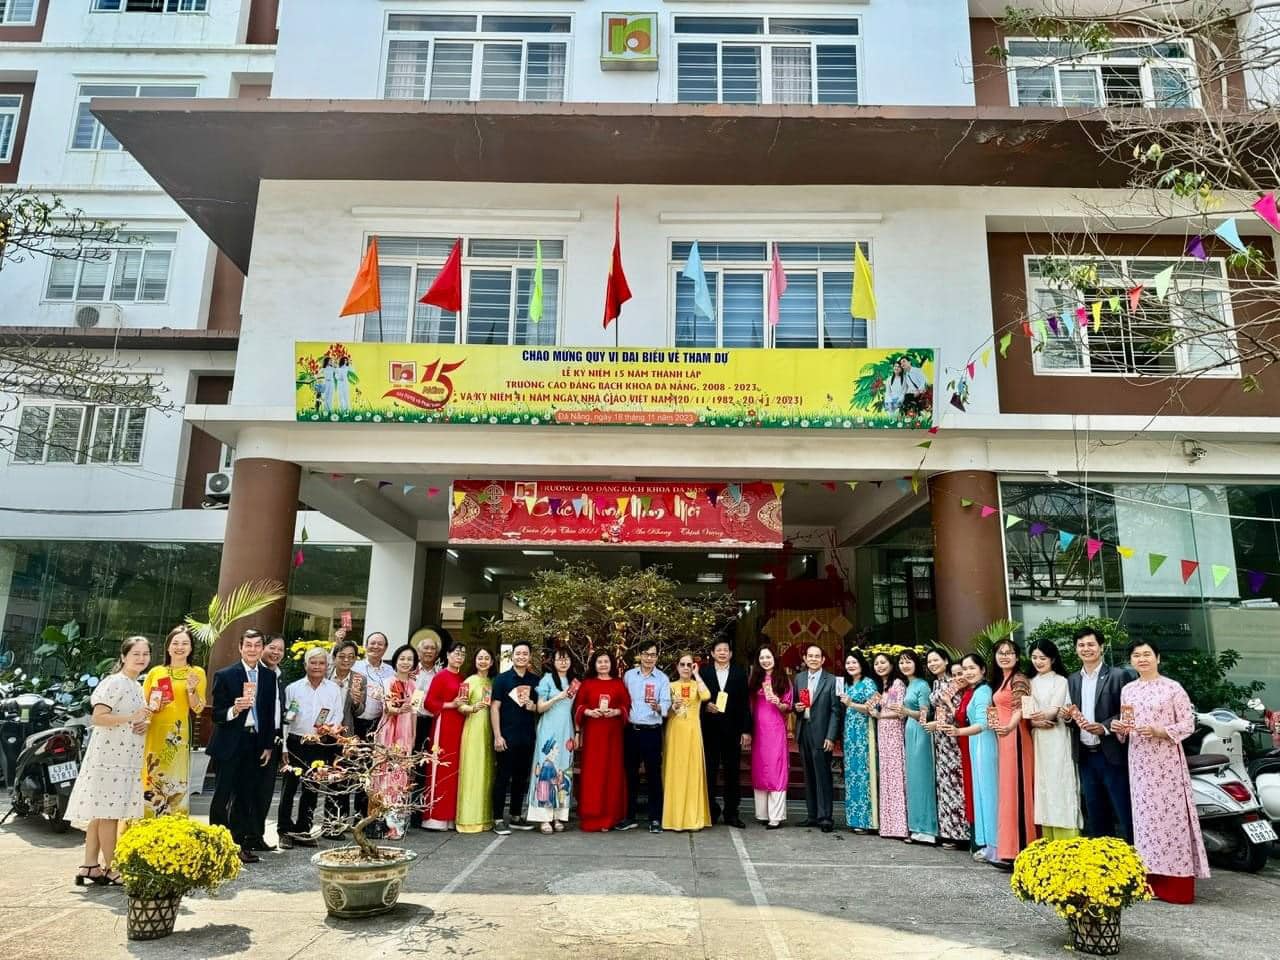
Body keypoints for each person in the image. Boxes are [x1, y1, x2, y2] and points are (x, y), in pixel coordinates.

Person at [1115, 640, 1210, 904]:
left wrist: (1160, 731)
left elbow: (1188, 724)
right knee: (1145, 822)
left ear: (1158, 658)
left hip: (1166, 762)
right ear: (1131, 661)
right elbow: (1127, 726)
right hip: (1139, 762)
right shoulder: (1128, 690)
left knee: (1171, 819)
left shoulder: (1172, 688)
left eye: (1147, 654)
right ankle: (1149, 880)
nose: (1142, 659)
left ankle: (1176, 885)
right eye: (1136, 655)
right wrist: (1120, 729)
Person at [67, 636, 151, 886]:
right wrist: (131, 718)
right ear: (123, 657)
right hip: (108, 760)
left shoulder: (136, 686)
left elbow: (131, 717)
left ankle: (90, 865)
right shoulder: (115, 682)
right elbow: (98, 717)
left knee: (101, 811)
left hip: (125, 759)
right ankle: (113, 868)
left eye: (145, 654)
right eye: (135, 654)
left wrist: (141, 723)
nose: (141, 658)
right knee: (110, 814)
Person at [207, 628, 279, 863]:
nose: (252, 649)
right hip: (229, 742)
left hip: (254, 743)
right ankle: (218, 846)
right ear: (240, 648)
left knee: (245, 795)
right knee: (222, 795)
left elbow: (268, 714)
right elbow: (217, 714)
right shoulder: (225, 675)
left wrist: (268, 745)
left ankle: (239, 845)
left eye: (257, 645)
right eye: (248, 645)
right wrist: (234, 709)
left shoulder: (269, 676)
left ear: (262, 648)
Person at [1067, 627, 1135, 842]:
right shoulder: (1072, 679)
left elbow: (1128, 711)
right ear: (1076, 649)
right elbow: (1072, 713)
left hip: (1112, 753)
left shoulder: (1118, 675)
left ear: (1101, 647)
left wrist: (1104, 728)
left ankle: (1135, 855)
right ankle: (1104, 857)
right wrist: (1066, 716)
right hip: (1086, 756)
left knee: (1124, 810)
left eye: (1091, 644)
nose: (1086, 649)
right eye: (1081, 645)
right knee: (1096, 812)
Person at [278, 646, 344, 848]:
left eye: (321, 663)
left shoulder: (333, 689)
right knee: (289, 788)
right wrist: (284, 747)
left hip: (320, 744)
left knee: (312, 788)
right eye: (313, 662)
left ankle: (304, 829)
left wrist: (329, 729)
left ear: (327, 666)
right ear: (305, 665)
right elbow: (286, 719)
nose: (317, 666)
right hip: (296, 743)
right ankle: (284, 831)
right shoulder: (293, 688)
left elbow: (338, 715)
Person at [141, 625, 207, 817]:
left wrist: (191, 690)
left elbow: (198, 708)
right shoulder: (156, 672)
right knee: (150, 772)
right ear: (168, 647)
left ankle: (172, 821)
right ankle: (145, 819)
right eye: (175, 643)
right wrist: (153, 708)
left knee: (174, 776)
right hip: (154, 730)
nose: (180, 647)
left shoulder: (197, 673)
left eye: (185, 643)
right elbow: (143, 704)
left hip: (177, 733)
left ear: (191, 648)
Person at [1026, 639, 1081, 840]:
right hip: (1038, 739)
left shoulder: (1061, 681)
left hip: (1057, 738)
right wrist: (1033, 722)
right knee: (1042, 787)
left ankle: (1067, 838)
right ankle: (1047, 838)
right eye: (1034, 657)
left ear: (1053, 659)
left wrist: (1037, 718)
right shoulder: (1028, 682)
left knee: (1060, 783)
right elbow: (1026, 712)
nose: (1038, 662)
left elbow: (1054, 709)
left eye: (1043, 658)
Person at [946, 653, 998, 863]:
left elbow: (983, 724)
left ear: (983, 669)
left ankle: (995, 845)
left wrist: (959, 732)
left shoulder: (984, 691)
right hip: (976, 743)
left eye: (972, 668)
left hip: (984, 743)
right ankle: (987, 844)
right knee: (981, 794)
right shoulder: (975, 690)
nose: (968, 672)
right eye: (965, 669)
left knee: (988, 793)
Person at [991, 638, 1037, 863]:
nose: (1005, 656)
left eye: (1009, 653)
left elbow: (1021, 707)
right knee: (1008, 792)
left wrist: (1010, 725)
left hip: (1016, 735)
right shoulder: (1001, 680)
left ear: (1017, 657)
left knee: (1017, 790)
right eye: (1000, 653)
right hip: (1004, 737)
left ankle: (1022, 849)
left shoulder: (1019, 679)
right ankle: (1008, 849)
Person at [574, 649, 630, 832]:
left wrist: (616, 711)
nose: (603, 665)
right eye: (600, 662)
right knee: (593, 774)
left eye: (606, 661)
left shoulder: (618, 684)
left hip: (613, 737)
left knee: (611, 774)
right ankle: (591, 816)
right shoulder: (587, 684)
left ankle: (610, 817)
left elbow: (627, 706)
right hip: (593, 736)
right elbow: (578, 707)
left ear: (611, 664)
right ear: (594, 664)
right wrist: (589, 712)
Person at [698, 637, 751, 829]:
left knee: (732, 772)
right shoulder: (704, 672)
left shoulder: (739, 673)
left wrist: (746, 730)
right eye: (718, 650)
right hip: (710, 730)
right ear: (712, 653)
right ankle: (710, 811)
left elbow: (745, 702)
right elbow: (697, 698)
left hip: (732, 730)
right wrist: (705, 706)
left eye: (725, 650)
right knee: (709, 771)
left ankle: (731, 813)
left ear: (730, 653)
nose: (722, 653)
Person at [619, 642, 671, 833]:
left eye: (653, 655)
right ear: (640, 655)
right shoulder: (629, 676)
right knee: (630, 774)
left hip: (652, 731)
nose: (650, 658)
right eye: (646, 654)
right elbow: (623, 700)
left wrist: (657, 706)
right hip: (632, 730)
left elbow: (666, 705)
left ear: (657, 657)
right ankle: (630, 816)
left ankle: (655, 817)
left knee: (653, 775)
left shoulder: (662, 679)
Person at [490, 640, 540, 834]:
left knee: (521, 777)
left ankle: (516, 816)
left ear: (530, 656)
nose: (521, 656)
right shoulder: (502, 679)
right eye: (518, 653)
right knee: (503, 777)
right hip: (506, 735)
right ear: (512, 656)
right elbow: (495, 707)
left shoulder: (535, 681)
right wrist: (497, 735)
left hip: (527, 736)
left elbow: (539, 707)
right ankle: (497, 818)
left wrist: (533, 707)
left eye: (525, 653)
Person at [527, 648, 578, 833]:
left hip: (566, 730)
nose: (563, 662)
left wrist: (577, 732)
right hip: (549, 730)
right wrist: (558, 696)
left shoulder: (574, 682)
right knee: (546, 771)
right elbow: (540, 707)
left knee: (563, 771)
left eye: (566, 659)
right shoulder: (547, 679)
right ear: (553, 662)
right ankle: (544, 818)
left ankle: (558, 816)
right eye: (559, 659)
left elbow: (575, 710)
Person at [792, 643, 841, 832]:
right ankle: (812, 815)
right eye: (810, 656)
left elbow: (836, 711)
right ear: (805, 659)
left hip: (822, 733)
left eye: (817, 656)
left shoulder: (833, 680)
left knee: (823, 775)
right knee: (808, 774)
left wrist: (831, 736)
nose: (813, 659)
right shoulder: (799, 678)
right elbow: (797, 704)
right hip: (804, 730)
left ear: (823, 660)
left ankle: (825, 817)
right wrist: (797, 709)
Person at [372, 644, 418, 839]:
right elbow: (388, 708)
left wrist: (413, 737)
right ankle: (381, 823)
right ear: (396, 661)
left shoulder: (415, 686)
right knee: (384, 776)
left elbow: (414, 714)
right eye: (402, 658)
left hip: (406, 733)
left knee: (401, 777)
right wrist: (399, 709)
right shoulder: (387, 682)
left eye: (410, 659)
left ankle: (397, 825)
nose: (406, 662)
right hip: (388, 733)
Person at [924, 648, 969, 850]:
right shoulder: (936, 683)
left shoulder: (954, 682)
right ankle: (948, 832)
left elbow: (958, 710)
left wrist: (939, 723)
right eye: (929, 661)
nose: (933, 664)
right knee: (944, 784)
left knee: (955, 783)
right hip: (940, 739)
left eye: (936, 660)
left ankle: (960, 833)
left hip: (952, 737)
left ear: (945, 661)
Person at [662, 651, 712, 832]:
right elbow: (666, 713)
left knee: (692, 772)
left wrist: (697, 674)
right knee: (675, 772)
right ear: (676, 667)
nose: (685, 668)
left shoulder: (697, 684)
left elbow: (706, 696)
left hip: (693, 732)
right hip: (675, 731)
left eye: (689, 665)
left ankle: (692, 818)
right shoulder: (670, 685)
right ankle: (674, 819)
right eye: (682, 664)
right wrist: (673, 707)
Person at [422, 641, 466, 830]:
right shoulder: (440, 676)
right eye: (456, 653)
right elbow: (429, 702)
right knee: (440, 767)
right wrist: (451, 705)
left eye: (462, 654)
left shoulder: (463, 678)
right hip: (444, 724)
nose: (459, 657)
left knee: (455, 769)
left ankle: (450, 815)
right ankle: (435, 816)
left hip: (459, 724)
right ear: (447, 655)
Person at [748, 645, 793, 829]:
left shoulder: (783, 679)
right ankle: (763, 814)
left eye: (768, 657)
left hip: (775, 729)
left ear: (775, 658)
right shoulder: (754, 679)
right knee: (760, 769)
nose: (765, 661)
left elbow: (788, 706)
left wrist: (778, 702)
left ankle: (776, 816)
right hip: (758, 729)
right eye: (762, 658)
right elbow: (749, 705)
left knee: (776, 769)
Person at [899, 650, 939, 844]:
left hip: (920, 732)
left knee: (922, 778)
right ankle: (916, 827)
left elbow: (926, 713)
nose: (905, 665)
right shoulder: (909, 684)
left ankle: (928, 829)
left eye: (908, 662)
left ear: (916, 664)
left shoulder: (922, 685)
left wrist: (905, 711)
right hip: (910, 730)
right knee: (914, 779)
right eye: (901, 662)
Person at [252, 634, 287, 852]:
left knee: (265, 792)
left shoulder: (280, 676)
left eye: (280, 650)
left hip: (274, 738)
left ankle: (257, 835)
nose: (276, 653)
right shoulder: (255, 673)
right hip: (255, 738)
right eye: (272, 648)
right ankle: (243, 837)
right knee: (248, 791)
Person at [326, 637, 364, 835]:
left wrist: (357, 702)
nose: (346, 660)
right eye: (342, 656)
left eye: (351, 656)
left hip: (345, 734)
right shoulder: (325, 674)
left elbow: (359, 711)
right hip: (323, 733)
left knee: (342, 778)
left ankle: (338, 824)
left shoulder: (359, 679)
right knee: (324, 777)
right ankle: (326, 823)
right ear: (334, 657)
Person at [868, 652, 907, 840]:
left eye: (883, 662)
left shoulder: (896, 684)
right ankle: (889, 825)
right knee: (887, 776)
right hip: (883, 733)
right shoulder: (883, 686)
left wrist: (879, 715)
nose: (880, 666)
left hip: (893, 733)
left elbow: (898, 711)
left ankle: (899, 826)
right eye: (876, 663)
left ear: (892, 665)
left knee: (895, 776)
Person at [838, 650, 878, 834]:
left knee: (864, 774)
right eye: (848, 663)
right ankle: (855, 819)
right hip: (850, 735)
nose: (851, 665)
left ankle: (867, 821)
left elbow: (873, 707)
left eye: (854, 662)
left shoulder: (869, 683)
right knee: (852, 774)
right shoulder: (846, 684)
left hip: (864, 733)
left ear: (861, 664)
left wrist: (851, 704)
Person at [456, 648, 495, 834]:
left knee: (487, 772)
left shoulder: (493, 682)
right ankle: (468, 820)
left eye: (487, 658)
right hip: (473, 729)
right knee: (472, 772)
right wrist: (472, 708)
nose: (483, 661)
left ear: (492, 662)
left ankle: (485, 818)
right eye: (480, 658)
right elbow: (459, 705)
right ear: (475, 660)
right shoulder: (468, 681)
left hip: (490, 729)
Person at [411, 629, 444, 828]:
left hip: (431, 722)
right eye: (426, 648)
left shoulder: (440, 673)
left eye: (433, 648)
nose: (429, 651)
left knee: (425, 766)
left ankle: (418, 812)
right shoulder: (411, 670)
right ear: (419, 651)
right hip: (411, 720)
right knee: (409, 763)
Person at [352, 632, 396, 739]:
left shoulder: (391, 671)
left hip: (378, 723)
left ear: (385, 648)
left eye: (380, 644)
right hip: (353, 722)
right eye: (372, 643)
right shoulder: (354, 666)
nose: (376, 646)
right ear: (366, 646)